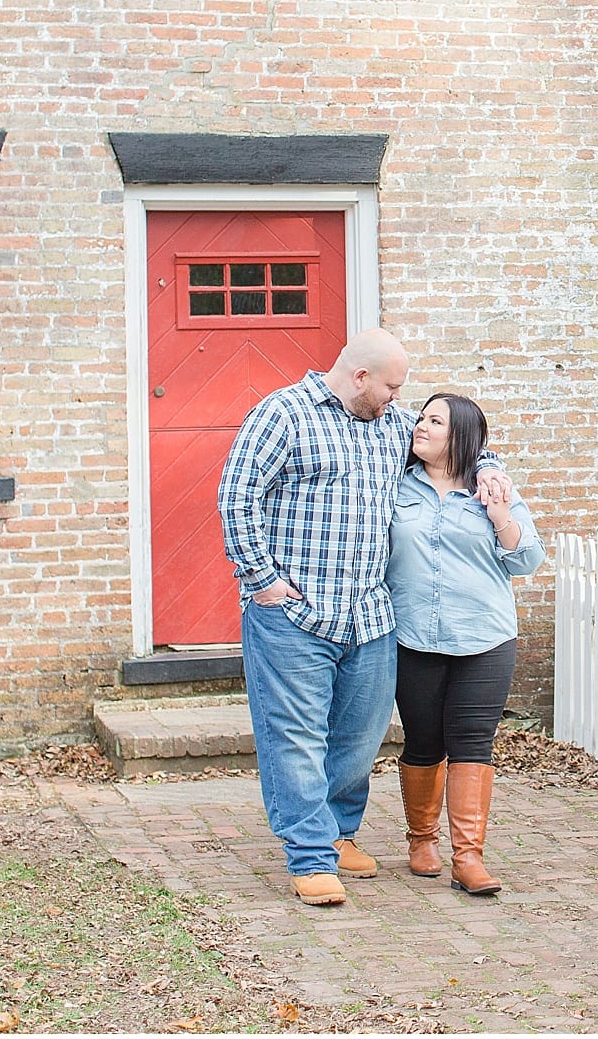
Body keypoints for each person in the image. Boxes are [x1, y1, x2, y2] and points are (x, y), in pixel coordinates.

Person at [216, 330, 509, 907]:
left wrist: (491, 469)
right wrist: (263, 581)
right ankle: (310, 856)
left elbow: (454, 447)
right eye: (392, 387)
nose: (399, 400)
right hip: (295, 613)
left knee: (359, 737)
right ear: (359, 378)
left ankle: (340, 832)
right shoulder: (283, 415)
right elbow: (236, 497)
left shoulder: (390, 425)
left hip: (371, 615)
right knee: (297, 737)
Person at [389, 391, 543, 896]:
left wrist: (500, 515)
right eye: (421, 418)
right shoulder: (396, 483)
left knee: (473, 743)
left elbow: (527, 561)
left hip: (484, 635)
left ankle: (469, 857)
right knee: (423, 741)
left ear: (460, 436)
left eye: (435, 421)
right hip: (414, 634)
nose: (422, 427)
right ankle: (421, 840)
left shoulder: (492, 486)